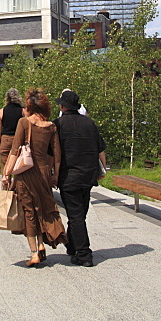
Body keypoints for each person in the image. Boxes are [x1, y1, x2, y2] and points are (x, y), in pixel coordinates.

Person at [1, 89, 66, 267]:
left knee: (30, 211)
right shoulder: (51, 126)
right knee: (42, 208)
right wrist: (56, 176)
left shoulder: (24, 123)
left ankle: (34, 252)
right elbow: (57, 155)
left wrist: (6, 173)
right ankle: (41, 243)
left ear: (29, 106)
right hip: (44, 172)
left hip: (26, 172)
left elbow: (15, 151)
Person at [55, 89, 107, 267]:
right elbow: (100, 148)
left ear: (62, 106)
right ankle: (72, 245)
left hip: (69, 176)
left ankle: (84, 254)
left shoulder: (58, 124)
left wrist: (52, 174)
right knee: (79, 213)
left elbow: (52, 153)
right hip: (88, 175)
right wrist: (103, 169)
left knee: (76, 216)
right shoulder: (89, 123)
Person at [0, 88, 24, 173]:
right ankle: (15, 185)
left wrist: (0, 145)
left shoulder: (2, 111)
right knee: (18, 165)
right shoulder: (23, 111)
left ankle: (5, 184)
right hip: (18, 139)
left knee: (5, 165)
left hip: (6, 139)